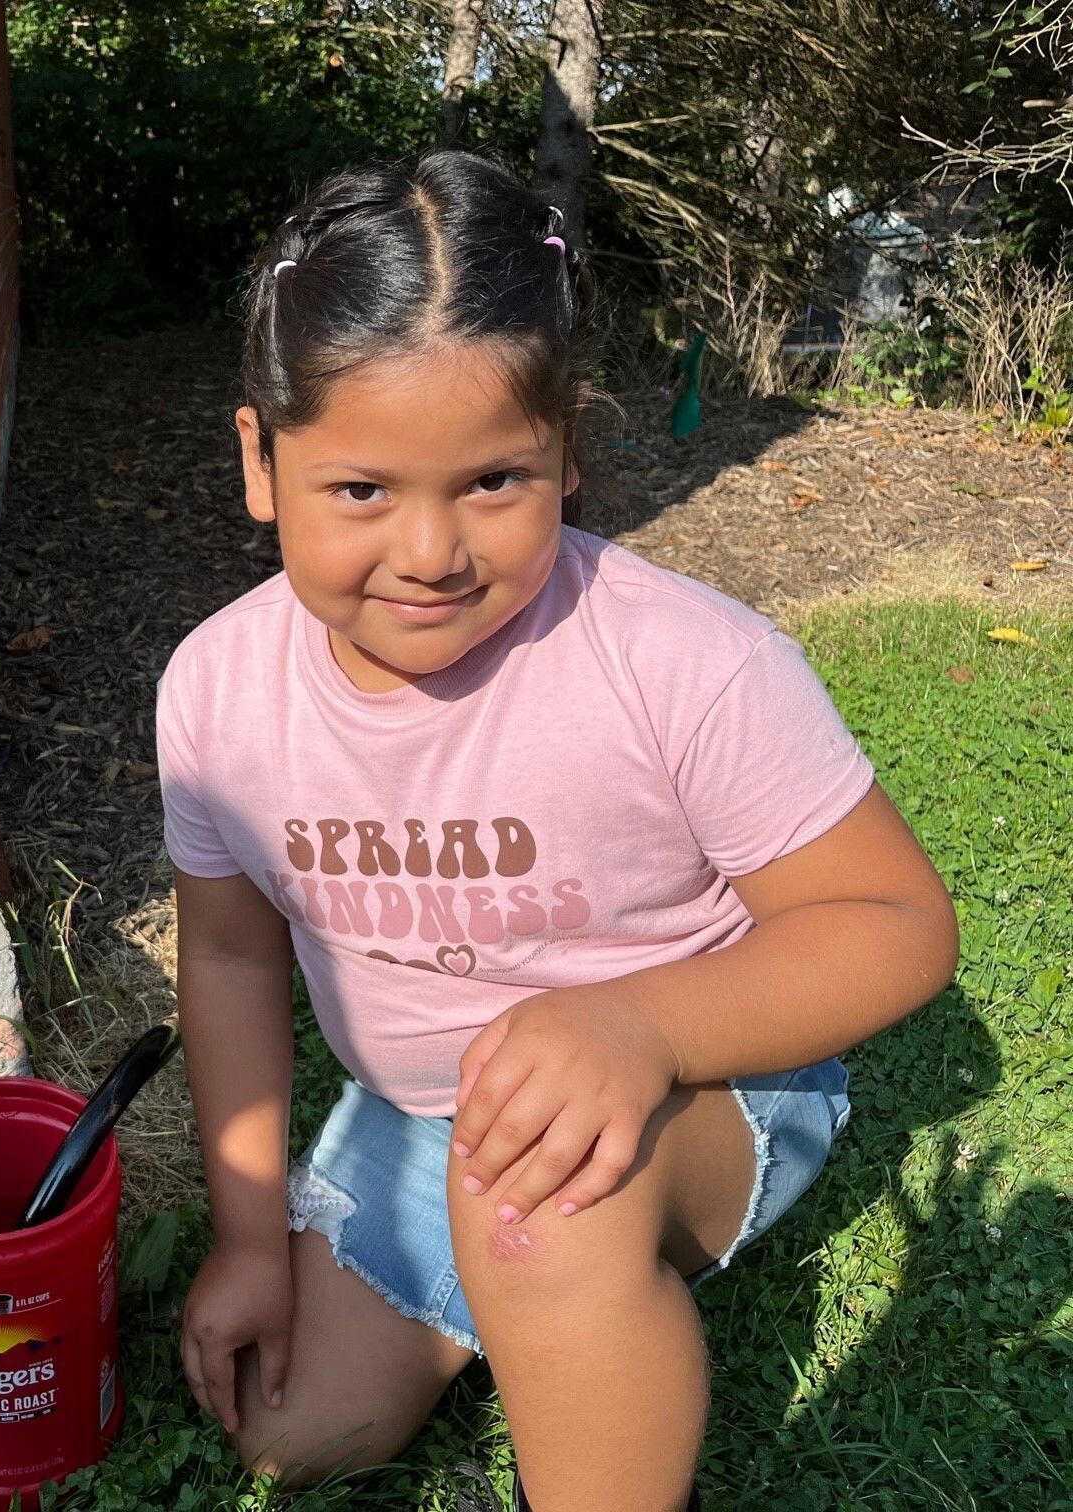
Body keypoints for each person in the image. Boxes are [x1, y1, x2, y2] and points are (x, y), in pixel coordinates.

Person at [154, 151, 959, 1512]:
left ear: (569, 448)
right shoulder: (219, 693)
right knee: (299, 1436)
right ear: (260, 460)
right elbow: (231, 960)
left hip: (707, 1078)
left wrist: (640, 1031)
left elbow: (897, 927)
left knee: (538, 1216)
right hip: (427, 1115)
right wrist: (247, 1238)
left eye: (494, 482)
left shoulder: (677, 662)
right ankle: (516, 1288)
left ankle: (563, 1288)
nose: (429, 550)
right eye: (360, 490)